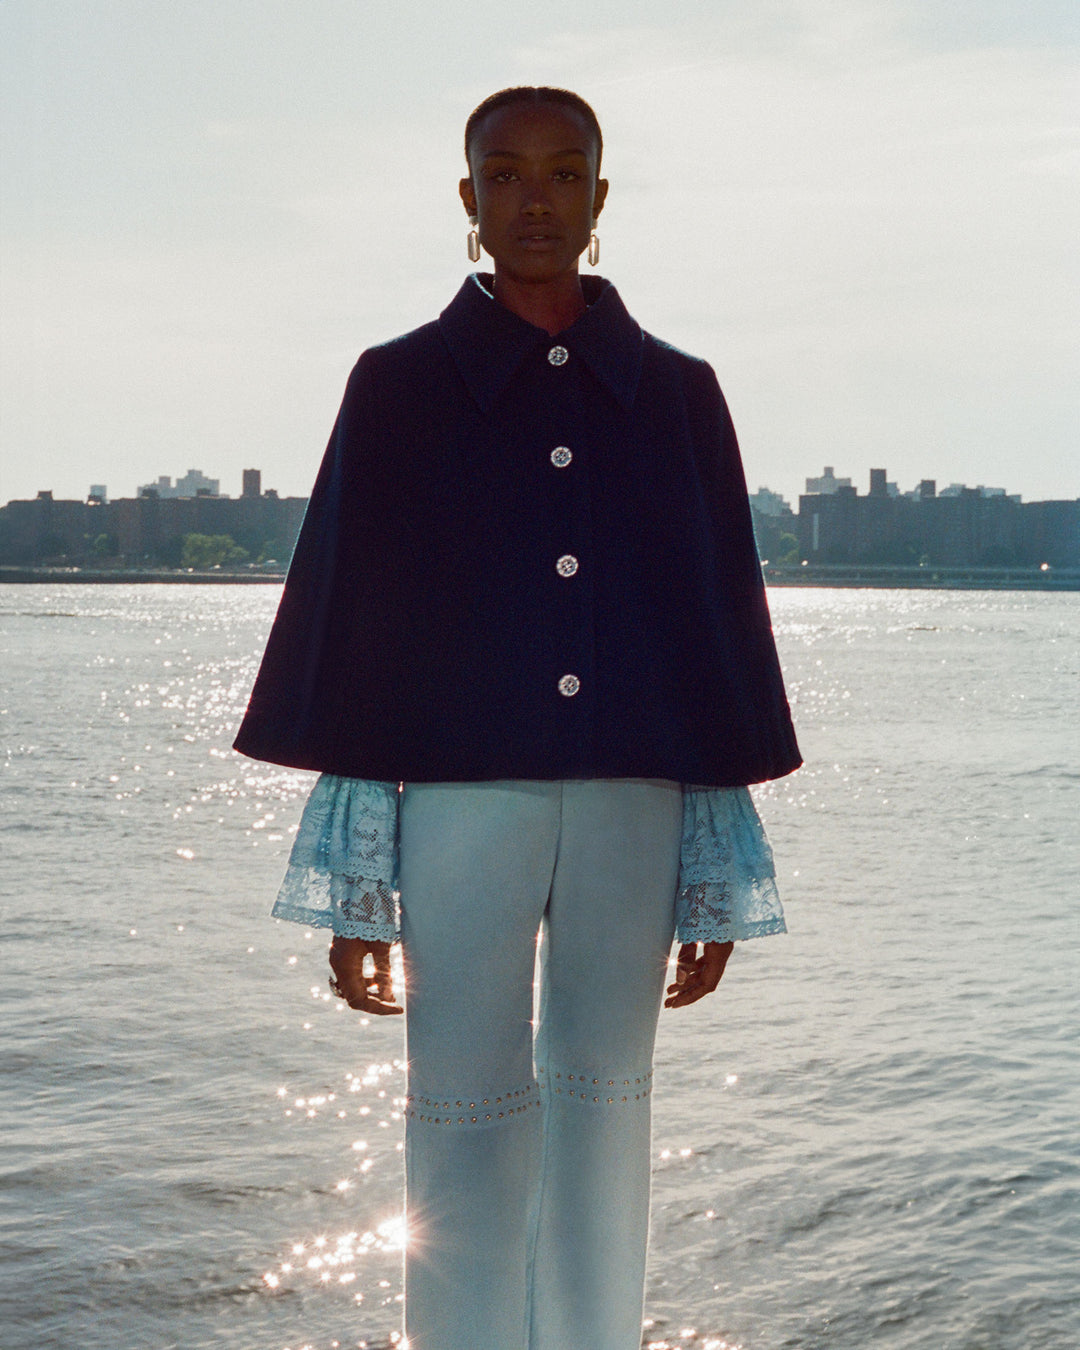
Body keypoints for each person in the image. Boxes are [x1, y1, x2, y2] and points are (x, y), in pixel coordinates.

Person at [234, 86, 800, 1350]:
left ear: (601, 197)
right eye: (505, 174)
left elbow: (708, 628)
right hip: (456, 804)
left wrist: (716, 860)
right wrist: (354, 889)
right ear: (468, 198)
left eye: (562, 174)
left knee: (608, 1102)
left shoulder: (682, 395)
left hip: (634, 805)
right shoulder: (395, 388)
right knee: (461, 1105)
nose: (533, 198)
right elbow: (355, 634)